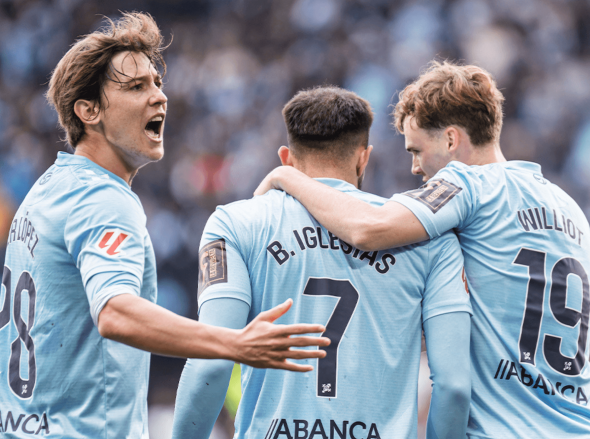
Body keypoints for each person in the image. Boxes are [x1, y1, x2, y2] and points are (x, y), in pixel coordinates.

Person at [0, 13, 329, 438]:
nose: (159, 97)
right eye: (136, 87)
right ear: (88, 110)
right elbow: (115, 313)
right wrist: (235, 344)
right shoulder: (104, 199)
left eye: (156, 82)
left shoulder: (46, 190)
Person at [254, 61, 590, 438]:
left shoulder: (468, 184)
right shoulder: (567, 206)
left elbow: (367, 229)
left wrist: (286, 177)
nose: (415, 168)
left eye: (417, 150)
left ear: (451, 140)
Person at [172, 86, 472, 439]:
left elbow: (212, 361)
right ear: (364, 158)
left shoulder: (234, 223)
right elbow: (453, 387)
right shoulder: (428, 235)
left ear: (286, 158)